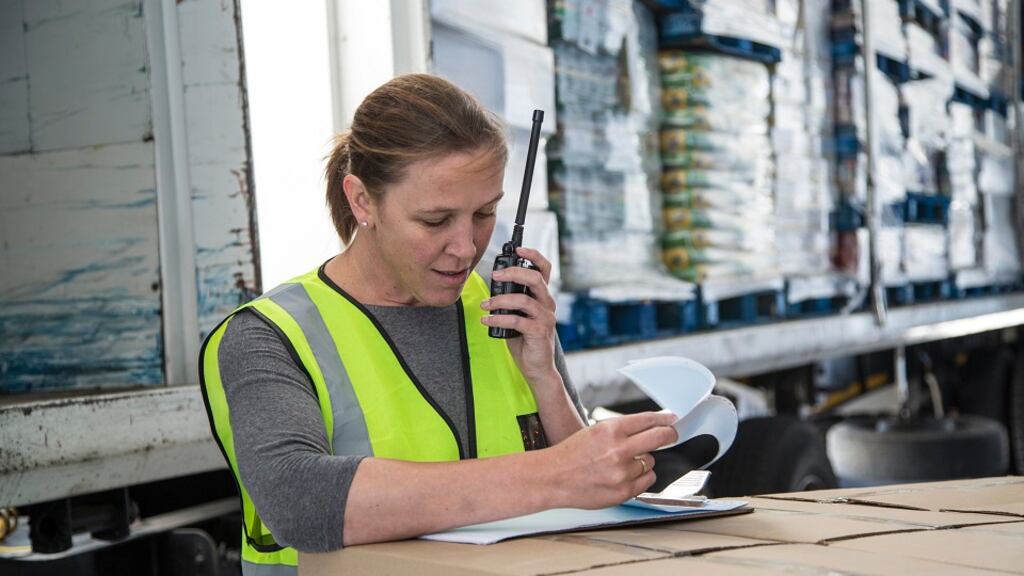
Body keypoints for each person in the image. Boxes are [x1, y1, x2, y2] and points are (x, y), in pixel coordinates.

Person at [200, 74, 677, 576]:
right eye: (434, 221)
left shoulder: (506, 310)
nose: (466, 247)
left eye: (484, 213)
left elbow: (590, 489)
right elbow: (300, 501)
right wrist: (552, 475)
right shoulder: (270, 336)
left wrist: (546, 380)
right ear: (362, 201)